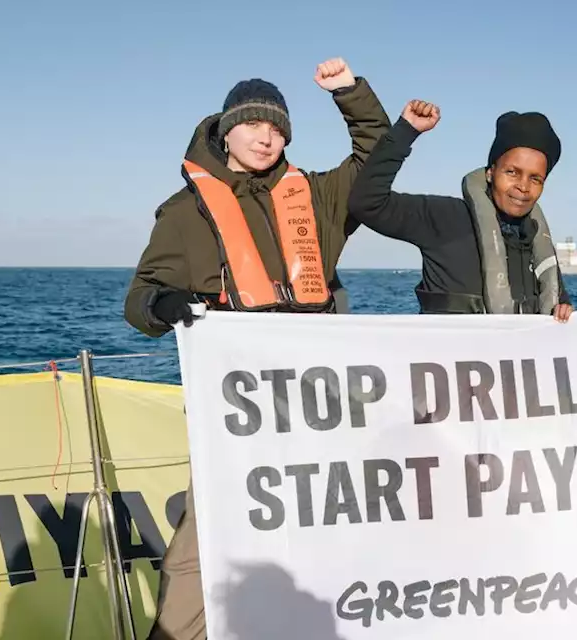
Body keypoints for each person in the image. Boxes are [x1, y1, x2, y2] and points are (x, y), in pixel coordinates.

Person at [123, 58, 391, 640]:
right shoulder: (184, 211)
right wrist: (165, 307)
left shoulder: (317, 197)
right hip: (235, 416)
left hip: (319, 410)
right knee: (206, 542)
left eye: (278, 129)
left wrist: (349, 92)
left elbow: (377, 154)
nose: (267, 137)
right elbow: (139, 299)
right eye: (254, 126)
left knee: (326, 541)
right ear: (226, 130)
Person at [346, 99, 575, 320]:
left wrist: (565, 313)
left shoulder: (539, 244)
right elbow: (367, 203)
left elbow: (558, 309)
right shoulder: (445, 218)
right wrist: (406, 132)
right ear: (490, 172)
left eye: (535, 179)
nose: (523, 186)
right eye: (512, 172)